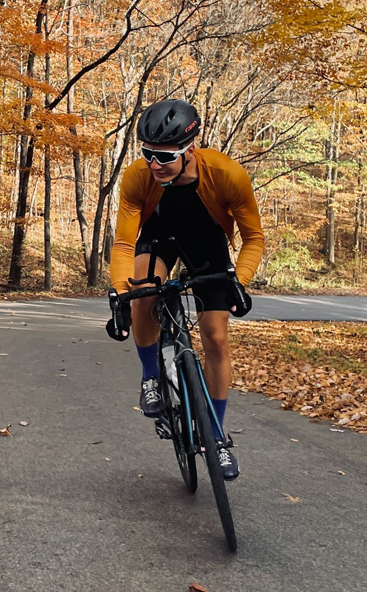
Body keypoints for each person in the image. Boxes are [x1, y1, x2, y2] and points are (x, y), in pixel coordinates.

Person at [105, 98, 264, 479]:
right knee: (142, 290)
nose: (154, 165)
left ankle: (216, 436)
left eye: (165, 157)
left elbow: (253, 238)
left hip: (206, 246)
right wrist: (119, 295)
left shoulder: (228, 175)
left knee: (215, 336)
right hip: (159, 239)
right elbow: (125, 245)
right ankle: (151, 377)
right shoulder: (137, 177)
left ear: (190, 149)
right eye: (148, 154)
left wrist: (238, 284)